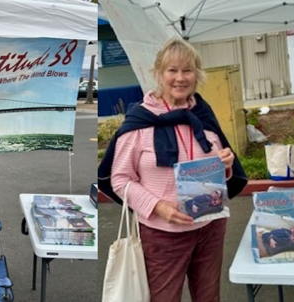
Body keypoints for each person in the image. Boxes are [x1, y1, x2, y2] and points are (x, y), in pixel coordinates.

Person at [98, 38, 247, 302]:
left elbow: (218, 167)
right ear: (158, 74)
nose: (180, 78)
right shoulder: (140, 121)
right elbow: (120, 179)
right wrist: (158, 207)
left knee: (209, 297)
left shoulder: (202, 114)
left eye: (187, 70)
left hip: (210, 225)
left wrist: (223, 165)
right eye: (172, 70)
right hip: (163, 233)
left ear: (197, 75)